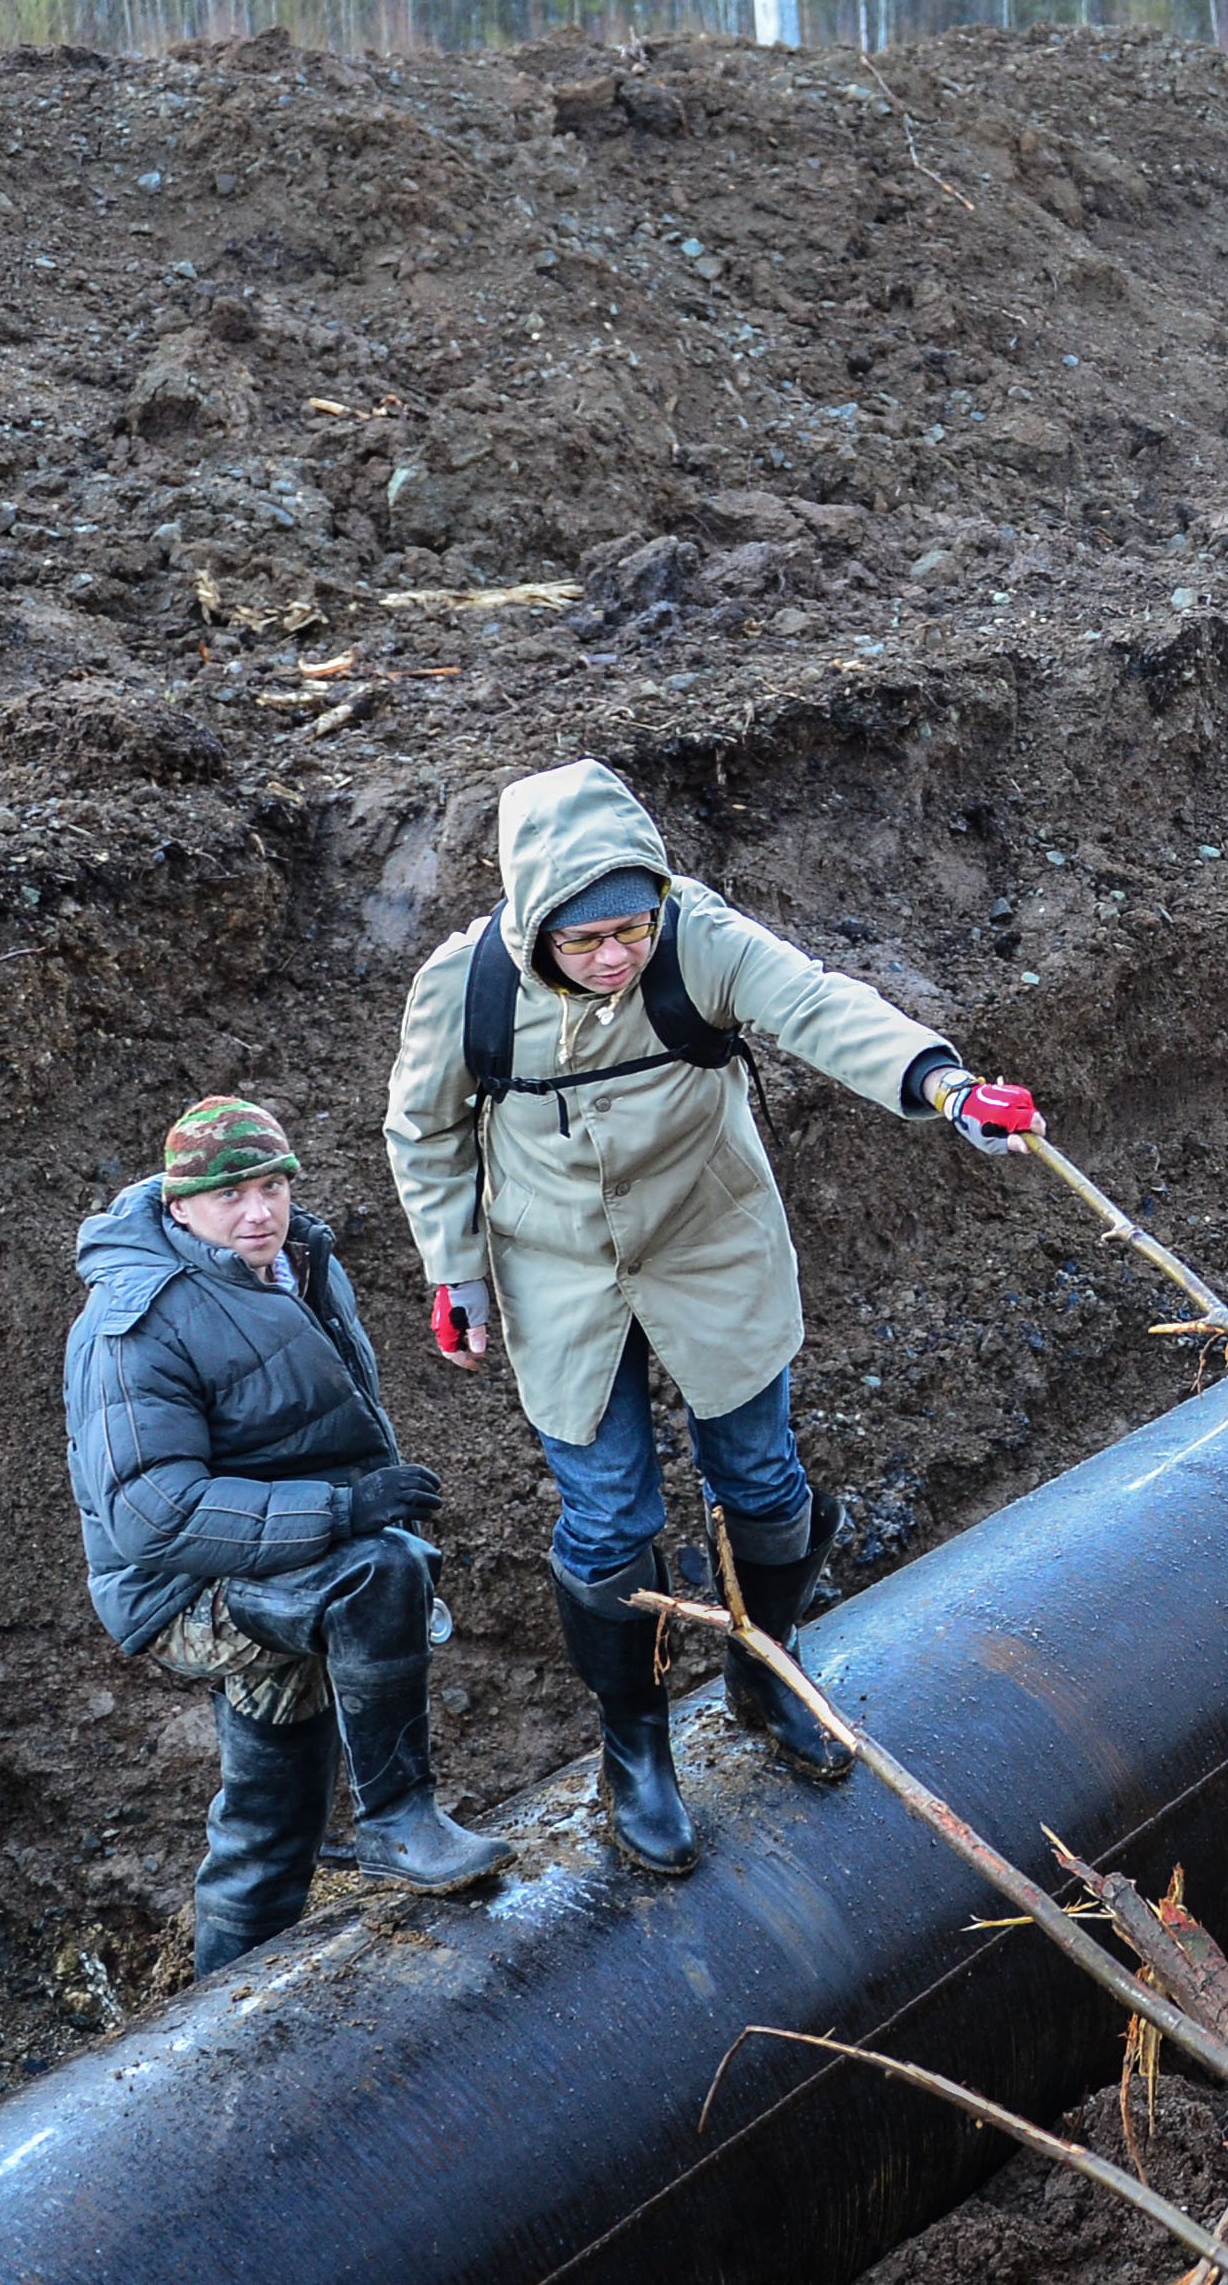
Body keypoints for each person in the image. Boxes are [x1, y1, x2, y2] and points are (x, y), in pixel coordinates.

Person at [384, 758, 1038, 1879]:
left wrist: (940, 1083)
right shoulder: (466, 987)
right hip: (561, 1278)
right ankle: (633, 1747)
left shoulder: (698, 940)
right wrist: (456, 1273)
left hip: (710, 1248)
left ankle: (767, 1672)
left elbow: (819, 1004)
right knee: (607, 1523)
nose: (613, 957)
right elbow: (424, 1131)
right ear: (534, 928)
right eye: (584, 942)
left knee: (764, 1480)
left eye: (629, 930)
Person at [66, 1094, 512, 1975]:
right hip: (188, 1591)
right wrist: (342, 1515)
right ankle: (398, 1820)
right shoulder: (133, 1321)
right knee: (379, 1573)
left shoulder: (300, 1264)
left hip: (283, 1562)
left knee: (272, 1819)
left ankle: (218, 2013)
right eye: (230, 1194)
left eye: (271, 1184)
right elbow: (150, 1512)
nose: (258, 1210)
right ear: (179, 1205)